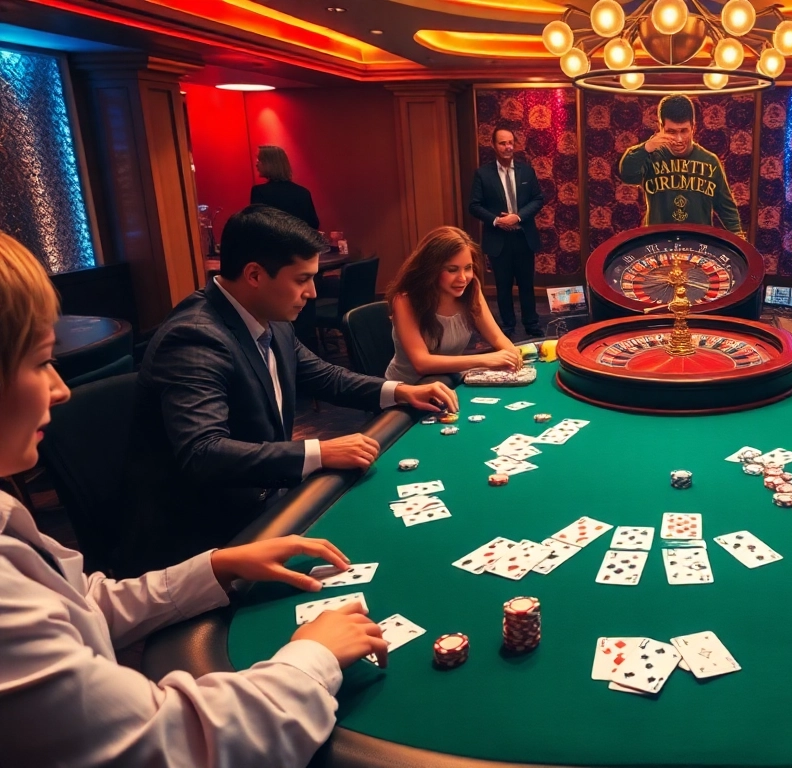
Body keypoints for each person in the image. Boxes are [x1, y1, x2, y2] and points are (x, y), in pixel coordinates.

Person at [0, 231, 388, 767]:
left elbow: (82, 605)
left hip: (224, 531)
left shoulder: (7, 516)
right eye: (42, 362)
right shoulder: (196, 335)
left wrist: (218, 565)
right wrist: (313, 654)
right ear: (255, 275)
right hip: (189, 517)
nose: (60, 389)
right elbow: (174, 745)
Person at [126, 205, 456, 575]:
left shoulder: (268, 316)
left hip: (263, 501)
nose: (312, 293)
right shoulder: (196, 337)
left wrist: (400, 391)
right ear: (254, 274)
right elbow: (204, 453)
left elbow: (323, 376)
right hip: (205, 536)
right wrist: (320, 451)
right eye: (301, 279)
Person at [385, 225, 523, 383]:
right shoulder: (405, 300)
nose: (463, 278)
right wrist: (487, 360)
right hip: (407, 392)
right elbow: (421, 363)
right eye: (452, 270)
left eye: (468, 268)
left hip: (450, 382)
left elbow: (497, 338)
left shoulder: (472, 289)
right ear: (431, 269)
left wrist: (511, 354)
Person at [618, 94, 744, 238]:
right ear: (661, 127)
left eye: (684, 131)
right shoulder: (651, 157)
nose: (678, 139)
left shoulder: (710, 161)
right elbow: (627, 175)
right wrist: (646, 147)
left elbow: (726, 208)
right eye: (671, 132)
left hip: (699, 244)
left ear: (693, 128)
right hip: (658, 243)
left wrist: (740, 241)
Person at [468, 127, 545, 338]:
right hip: (498, 240)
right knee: (502, 287)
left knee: (527, 284)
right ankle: (508, 326)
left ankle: (531, 324)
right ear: (493, 145)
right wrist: (497, 221)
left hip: (523, 237)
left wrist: (517, 216)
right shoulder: (482, 174)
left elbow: (538, 199)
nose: (507, 147)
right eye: (502, 143)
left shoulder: (527, 171)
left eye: (510, 142)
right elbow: (474, 206)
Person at [250, 145, 320, 230]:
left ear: (269, 163)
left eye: (259, 159)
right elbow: (313, 224)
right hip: (298, 242)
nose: (256, 163)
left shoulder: (259, 191)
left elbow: (256, 225)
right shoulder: (303, 192)